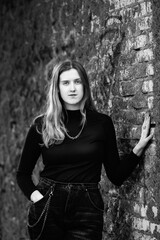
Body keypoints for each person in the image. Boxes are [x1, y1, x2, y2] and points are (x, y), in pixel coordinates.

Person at [16, 59, 153, 240]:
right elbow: (23, 174)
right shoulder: (42, 125)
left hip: (87, 208)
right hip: (48, 204)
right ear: (57, 88)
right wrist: (37, 199)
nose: (72, 88)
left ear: (85, 86)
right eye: (66, 83)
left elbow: (116, 176)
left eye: (77, 82)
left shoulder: (102, 123)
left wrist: (138, 148)